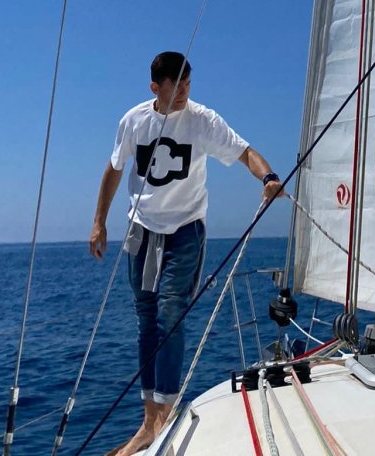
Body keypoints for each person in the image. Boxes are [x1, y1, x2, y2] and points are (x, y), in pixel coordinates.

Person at [89, 50, 283, 456]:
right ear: (154, 88)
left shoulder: (202, 121)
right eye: (174, 87)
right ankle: (149, 421)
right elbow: (113, 168)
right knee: (146, 319)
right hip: (143, 229)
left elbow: (246, 151)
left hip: (186, 230)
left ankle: (164, 410)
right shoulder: (134, 120)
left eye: (188, 85)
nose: (182, 94)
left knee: (170, 314)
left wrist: (268, 177)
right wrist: (99, 221)